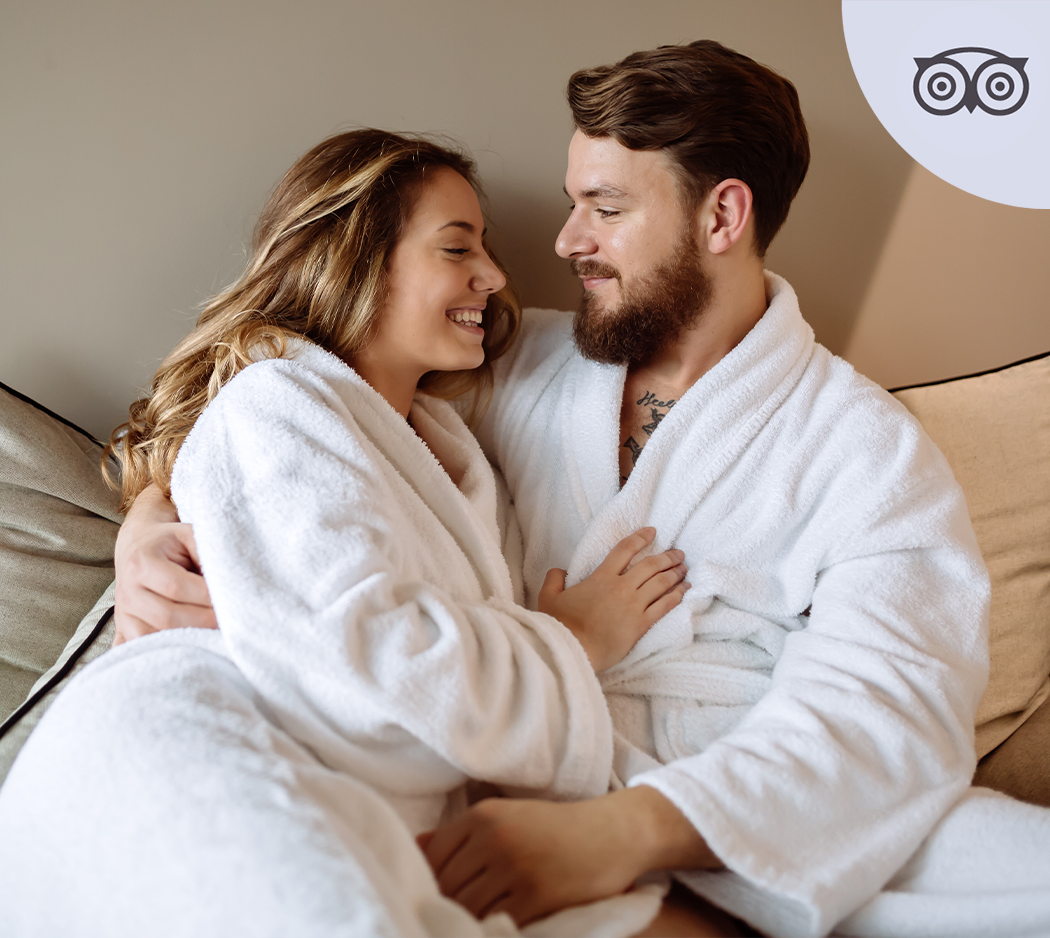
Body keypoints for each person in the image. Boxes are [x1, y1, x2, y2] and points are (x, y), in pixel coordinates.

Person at [103, 40, 1050, 938]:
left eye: (605, 207)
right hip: (530, 762)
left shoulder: (866, 446)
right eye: (572, 203)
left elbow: (891, 703)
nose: (564, 241)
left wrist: (631, 830)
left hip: (757, 799)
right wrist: (151, 522)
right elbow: (316, 422)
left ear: (722, 217)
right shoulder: (517, 365)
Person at [0, 129, 699, 938]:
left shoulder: (451, 457)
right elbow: (361, 660)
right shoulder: (274, 401)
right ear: (356, 260)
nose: (494, 276)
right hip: (196, 745)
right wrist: (573, 639)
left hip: (348, 794)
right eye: (456, 247)